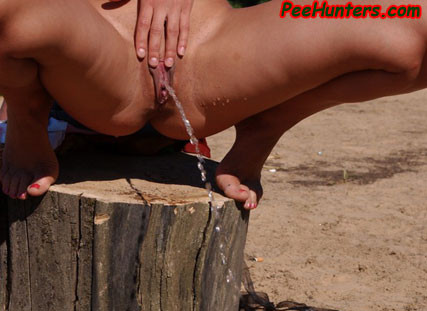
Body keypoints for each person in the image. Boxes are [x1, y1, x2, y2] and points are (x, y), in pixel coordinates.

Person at [0, 0, 425, 210]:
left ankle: (266, 123)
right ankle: (27, 118)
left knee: (411, 26)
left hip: (212, 48)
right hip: (92, 53)